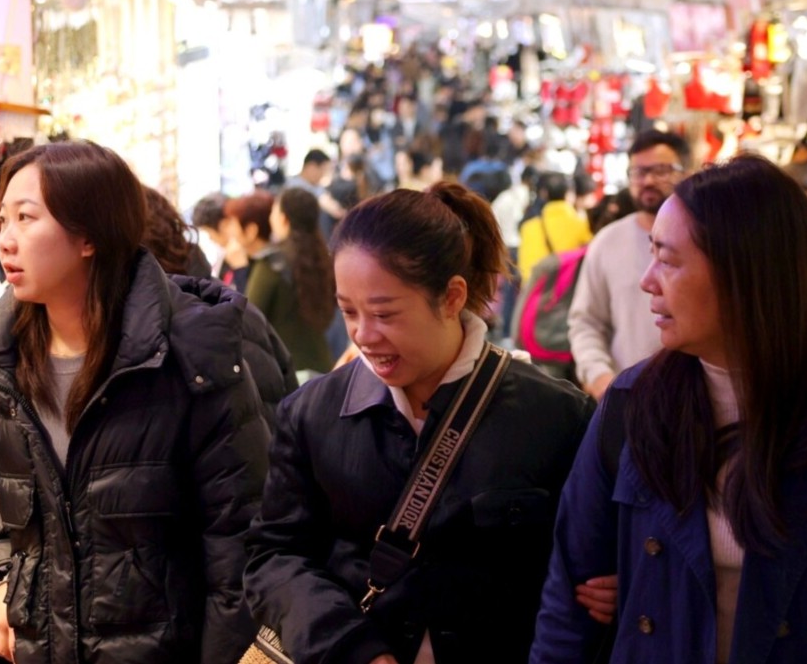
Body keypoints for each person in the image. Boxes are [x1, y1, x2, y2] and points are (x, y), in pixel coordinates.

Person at [532, 155, 807, 664]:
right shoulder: (632, 405)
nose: (647, 280)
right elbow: (567, 605)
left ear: (744, 273)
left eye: (669, 261)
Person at [245, 184, 595, 664]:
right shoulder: (312, 414)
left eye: (384, 313)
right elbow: (274, 557)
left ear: (451, 297)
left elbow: (584, 562)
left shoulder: (555, 416)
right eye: (348, 311)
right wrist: (351, 648)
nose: (363, 335)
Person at [0, 142, 269, 664]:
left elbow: (236, 542)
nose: (5, 240)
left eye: (26, 218)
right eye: (4, 219)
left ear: (89, 236)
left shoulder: (188, 356)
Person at [144, 185, 299, 429]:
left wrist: (240, 269)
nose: (218, 238)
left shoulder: (259, 274)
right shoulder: (233, 276)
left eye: (232, 224)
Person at [568, 131, 690, 399]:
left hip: (694, 396)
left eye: (661, 170)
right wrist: (600, 377)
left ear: (686, 172)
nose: (648, 181)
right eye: (638, 172)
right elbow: (586, 322)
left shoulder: (704, 240)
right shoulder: (608, 242)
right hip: (626, 395)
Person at [254, 188, 337, 376]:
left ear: (284, 219)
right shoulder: (324, 259)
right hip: (323, 364)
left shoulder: (272, 263)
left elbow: (249, 315)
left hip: (285, 370)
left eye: (273, 212)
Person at [518, 171, 593, 291]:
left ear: (544, 194)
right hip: (564, 292)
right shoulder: (581, 225)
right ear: (569, 195)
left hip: (535, 292)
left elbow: (525, 268)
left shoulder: (528, 227)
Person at [221, 192, 278, 294]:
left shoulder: (268, 267)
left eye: (232, 224)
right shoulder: (258, 258)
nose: (228, 231)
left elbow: (250, 303)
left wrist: (240, 268)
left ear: (251, 231)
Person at [293, 149, 348, 236]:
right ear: (311, 167)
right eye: (323, 170)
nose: (323, 175)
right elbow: (326, 203)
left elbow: (329, 202)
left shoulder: (316, 186)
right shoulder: (293, 185)